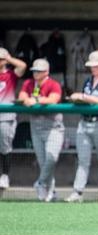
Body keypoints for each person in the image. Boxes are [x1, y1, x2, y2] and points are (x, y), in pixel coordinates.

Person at [65, 50, 98, 203]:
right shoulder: (88, 81)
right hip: (84, 123)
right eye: (91, 66)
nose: (92, 68)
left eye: (96, 66)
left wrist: (84, 97)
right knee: (83, 159)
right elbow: (85, 98)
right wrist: (76, 97)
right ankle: (78, 192)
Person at [18, 58, 64, 202]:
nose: (36, 73)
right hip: (36, 126)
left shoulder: (53, 84)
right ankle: (50, 192)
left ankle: (40, 182)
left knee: (51, 157)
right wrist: (26, 100)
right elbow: (22, 96)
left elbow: (53, 99)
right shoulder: (28, 83)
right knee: (43, 161)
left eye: (39, 71)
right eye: (34, 71)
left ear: (46, 72)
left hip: (52, 127)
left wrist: (36, 100)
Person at [0, 47, 27, 189]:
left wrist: (8, 58)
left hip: (6, 117)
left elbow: (22, 66)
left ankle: (4, 175)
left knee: (5, 147)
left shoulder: (11, 75)